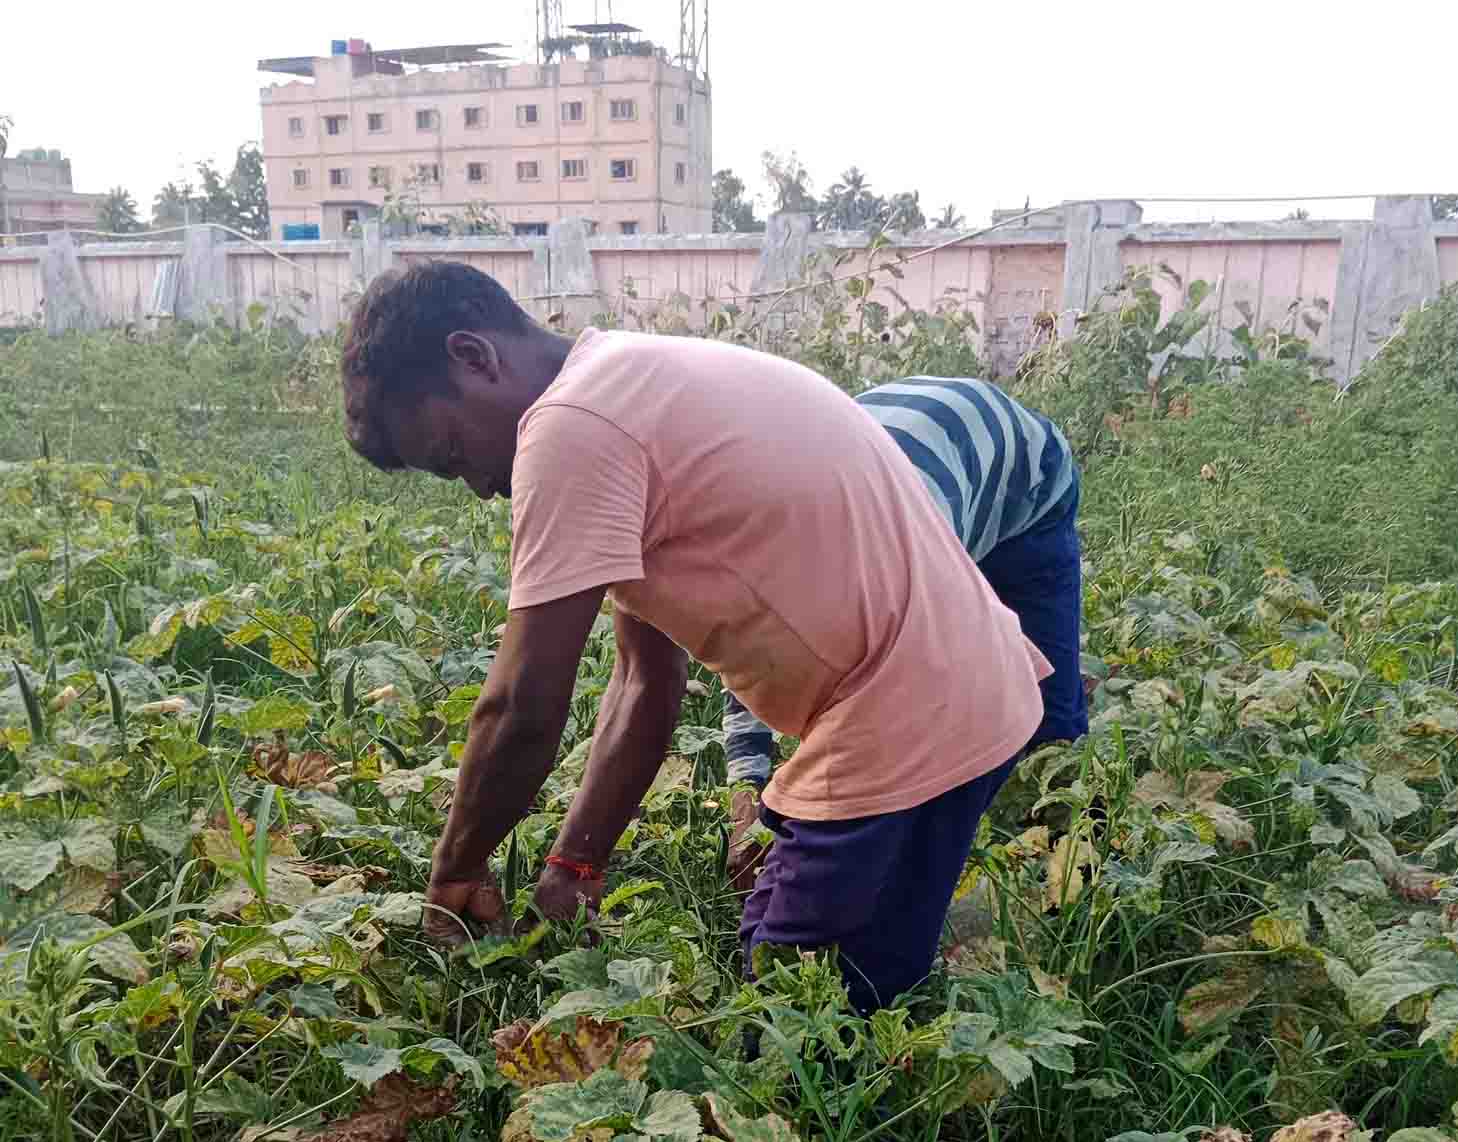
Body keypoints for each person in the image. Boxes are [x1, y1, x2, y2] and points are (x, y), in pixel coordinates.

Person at [341, 261, 1052, 1011]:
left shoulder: (570, 426)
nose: (480, 486)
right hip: (973, 690)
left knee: (786, 1016)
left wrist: (454, 872)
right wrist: (576, 865)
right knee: (873, 995)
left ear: (474, 356)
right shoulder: (629, 380)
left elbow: (521, 706)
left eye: (454, 453)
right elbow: (645, 682)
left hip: (897, 716)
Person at [724, 375, 1085, 887]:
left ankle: (1071, 866)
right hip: (915, 448)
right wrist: (749, 802)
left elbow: (914, 709)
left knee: (1045, 704)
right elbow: (749, 670)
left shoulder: (905, 560)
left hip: (1027, 483)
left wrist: (833, 821)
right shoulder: (766, 565)